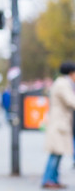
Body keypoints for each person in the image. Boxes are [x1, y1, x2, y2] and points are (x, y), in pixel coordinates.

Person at [42, 61, 75, 189]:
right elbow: (71, 101)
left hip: (60, 123)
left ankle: (54, 179)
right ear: (71, 73)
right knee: (55, 154)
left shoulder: (63, 83)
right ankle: (48, 179)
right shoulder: (62, 84)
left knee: (58, 153)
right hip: (59, 124)